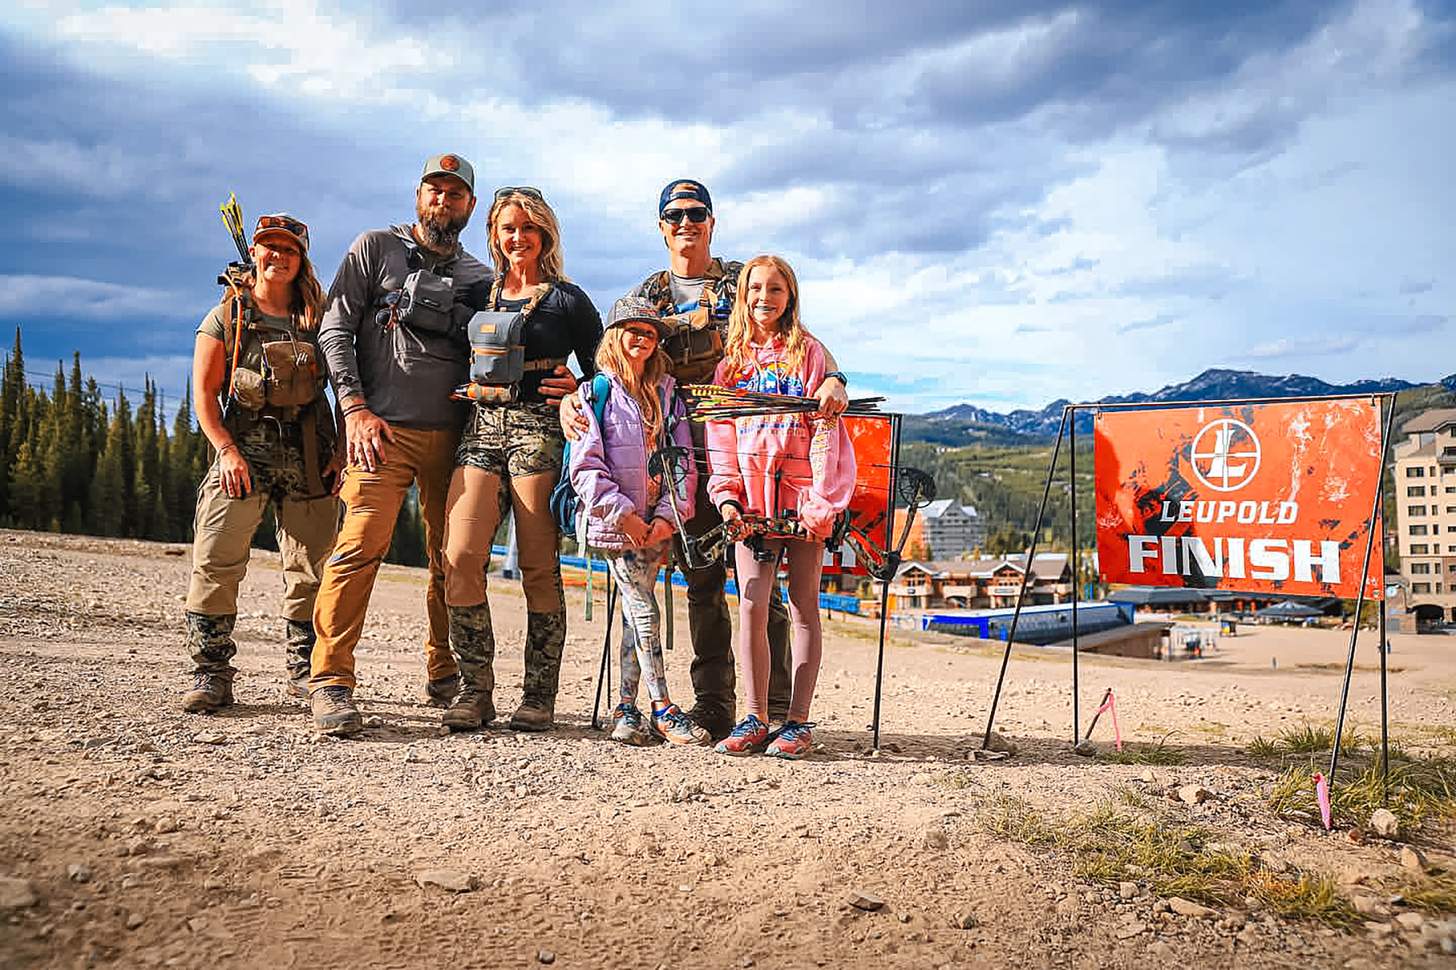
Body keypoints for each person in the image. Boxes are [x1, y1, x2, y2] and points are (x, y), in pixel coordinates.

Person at [560, 179, 849, 739]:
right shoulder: (651, 294)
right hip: (673, 460)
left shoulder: (743, 279)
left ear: (712, 221)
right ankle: (717, 706)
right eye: (674, 214)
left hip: (754, 458)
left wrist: (834, 376)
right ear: (661, 224)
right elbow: (615, 357)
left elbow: (801, 339)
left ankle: (780, 709)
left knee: (764, 585)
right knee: (703, 583)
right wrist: (576, 397)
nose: (685, 222)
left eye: (696, 213)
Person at [309, 153, 491, 736]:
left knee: (451, 559)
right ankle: (331, 680)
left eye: (455, 194)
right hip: (378, 432)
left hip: (454, 437)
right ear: (418, 196)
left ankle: (445, 672)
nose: (443, 201)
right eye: (434, 191)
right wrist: (355, 409)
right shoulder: (374, 249)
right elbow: (333, 326)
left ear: (469, 205)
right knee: (360, 546)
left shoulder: (480, 277)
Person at [440, 188, 602, 733]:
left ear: (545, 235)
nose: (518, 238)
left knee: (537, 563)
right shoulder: (472, 296)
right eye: (509, 228)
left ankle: (538, 696)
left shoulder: (568, 301)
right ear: (495, 232)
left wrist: (576, 387)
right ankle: (474, 691)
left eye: (529, 228)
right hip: (480, 431)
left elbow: (605, 370)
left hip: (538, 433)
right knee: (459, 556)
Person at [181, 213, 341, 713]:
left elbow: (347, 382)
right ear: (254, 252)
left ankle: (305, 673)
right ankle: (211, 672)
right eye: (269, 247)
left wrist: (339, 454)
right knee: (216, 557)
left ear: (302, 260)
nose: (277, 256)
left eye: (289, 250)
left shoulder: (321, 318)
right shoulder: (226, 316)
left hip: (311, 455)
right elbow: (205, 395)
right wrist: (225, 451)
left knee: (311, 570)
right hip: (244, 452)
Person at [705, 255, 855, 759]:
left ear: (790, 296)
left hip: (802, 499)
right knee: (750, 602)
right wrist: (727, 498)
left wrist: (820, 502)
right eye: (755, 288)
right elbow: (720, 436)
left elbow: (827, 433)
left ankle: (797, 721)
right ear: (742, 296)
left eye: (776, 289)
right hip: (751, 500)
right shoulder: (732, 365)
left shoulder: (810, 356)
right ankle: (754, 715)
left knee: (803, 604)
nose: (764, 298)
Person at [568, 296, 708, 746]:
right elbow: (585, 467)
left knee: (634, 611)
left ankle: (626, 709)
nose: (643, 339)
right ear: (614, 335)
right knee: (644, 609)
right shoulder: (596, 394)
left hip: (658, 524)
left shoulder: (668, 394)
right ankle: (664, 707)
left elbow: (683, 461)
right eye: (635, 330)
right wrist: (624, 516)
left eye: (651, 333)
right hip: (618, 525)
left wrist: (669, 516)